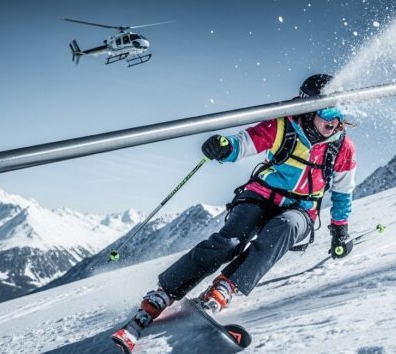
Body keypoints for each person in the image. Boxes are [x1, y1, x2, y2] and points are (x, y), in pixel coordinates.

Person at [134, 74, 357, 326]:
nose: (336, 122)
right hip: (262, 196)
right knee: (230, 240)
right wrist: (225, 147)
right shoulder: (282, 126)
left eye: (340, 114)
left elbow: (342, 193)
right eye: (328, 114)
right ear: (308, 111)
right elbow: (245, 143)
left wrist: (340, 231)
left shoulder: (342, 147)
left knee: (286, 227)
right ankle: (166, 291)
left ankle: (226, 286)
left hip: (301, 209)